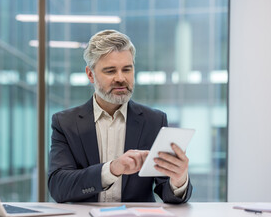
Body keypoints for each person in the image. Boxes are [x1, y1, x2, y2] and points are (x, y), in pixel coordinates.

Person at [48, 30, 192, 203]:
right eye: (110, 71)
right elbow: (59, 187)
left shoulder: (154, 121)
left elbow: (166, 191)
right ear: (90, 74)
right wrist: (112, 169)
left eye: (127, 69)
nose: (121, 78)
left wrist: (179, 180)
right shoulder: (65, 123)